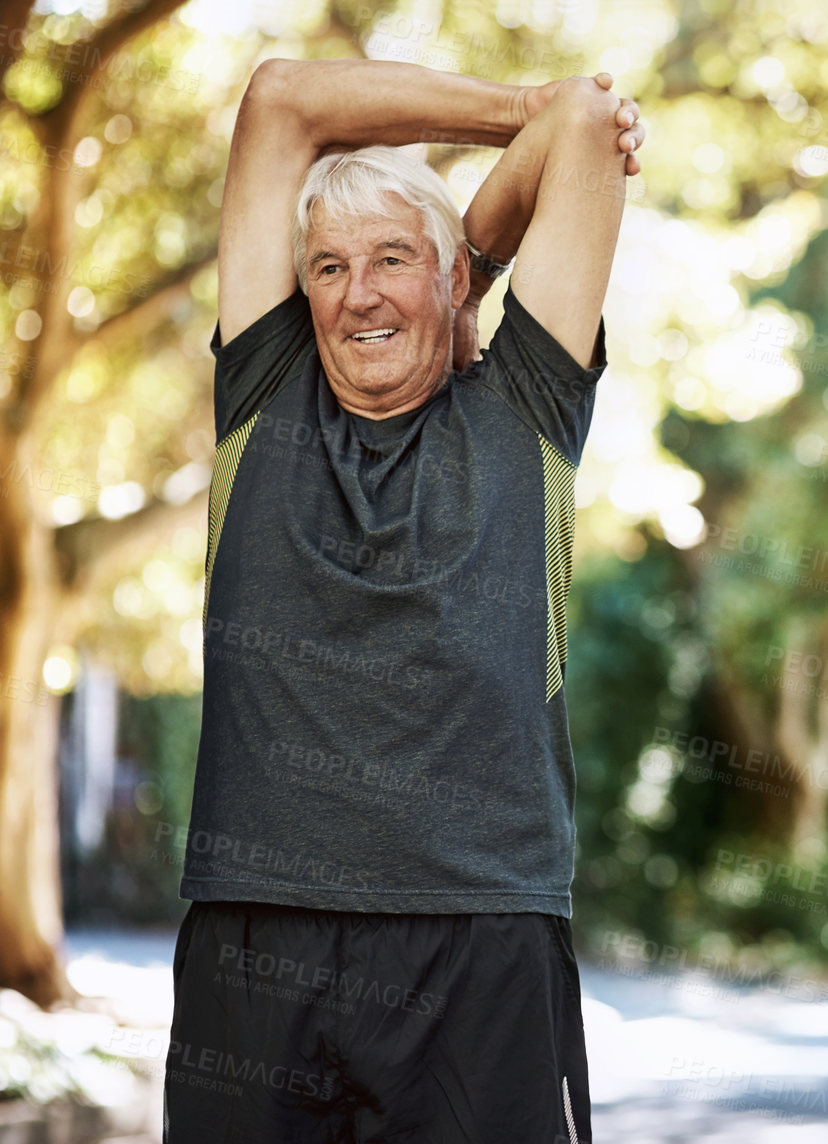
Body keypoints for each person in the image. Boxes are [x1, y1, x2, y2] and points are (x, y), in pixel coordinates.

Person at [162, 57, 645, 1144]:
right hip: (256, 936)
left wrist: (471, 251)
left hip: (481, 937)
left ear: (455, 280)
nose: (358, 292)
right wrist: (508, 117)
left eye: (392, 260)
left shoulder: (526, 408)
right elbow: (281, 100)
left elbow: (579, 122)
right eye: (328, 266)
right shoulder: (264, 392)